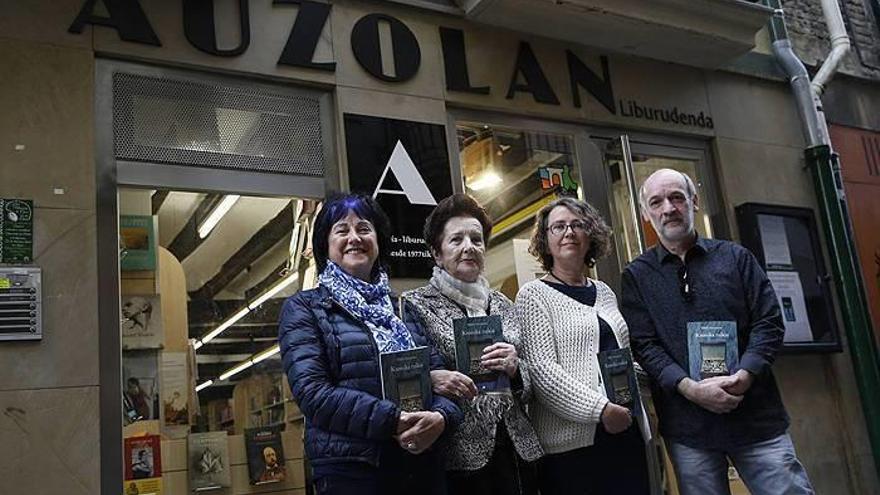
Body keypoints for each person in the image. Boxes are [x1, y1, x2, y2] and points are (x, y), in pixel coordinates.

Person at [620, 168, 814, 495]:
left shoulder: (736, 258)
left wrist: (745, 375)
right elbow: (644, 345)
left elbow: (768, 321)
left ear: (694, 202)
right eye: (656, 202)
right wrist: (689, 389)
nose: (668, 208)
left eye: (677, 197)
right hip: (689, 429)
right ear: (645, 214)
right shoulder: (637, 276)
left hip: (755, 417)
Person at [278, 193, 463, 495]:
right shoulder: (304, 309)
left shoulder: (403, 309)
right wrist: (394, 420)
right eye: (342, 230)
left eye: (364, 229)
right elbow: (313, 394)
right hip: (353, 471)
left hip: (421, 466)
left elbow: (442, 380)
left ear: (378, 241)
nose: (354, 238)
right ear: (325, 244)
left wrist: (441, 417)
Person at [404, 194, 543, 495]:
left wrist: (516, 369)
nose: (469, 247)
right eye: (456, 240)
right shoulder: (415, 305)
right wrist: (431, 378)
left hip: (519, 449)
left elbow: (532, 384)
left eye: (476, 240)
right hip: (460, 457)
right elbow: (408, 378)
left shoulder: (504, 304)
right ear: (437, 253)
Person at [515, 197, 650, 495]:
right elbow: (543, 373)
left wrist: (657, 377)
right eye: (559, 226)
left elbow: (621, 359)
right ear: (545, 240)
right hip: (573, 448)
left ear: (591, 235)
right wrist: (602, 410)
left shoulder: (604, 291)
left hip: (624, 431)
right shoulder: (533, 295)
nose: (569, 232)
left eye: (577, 225)